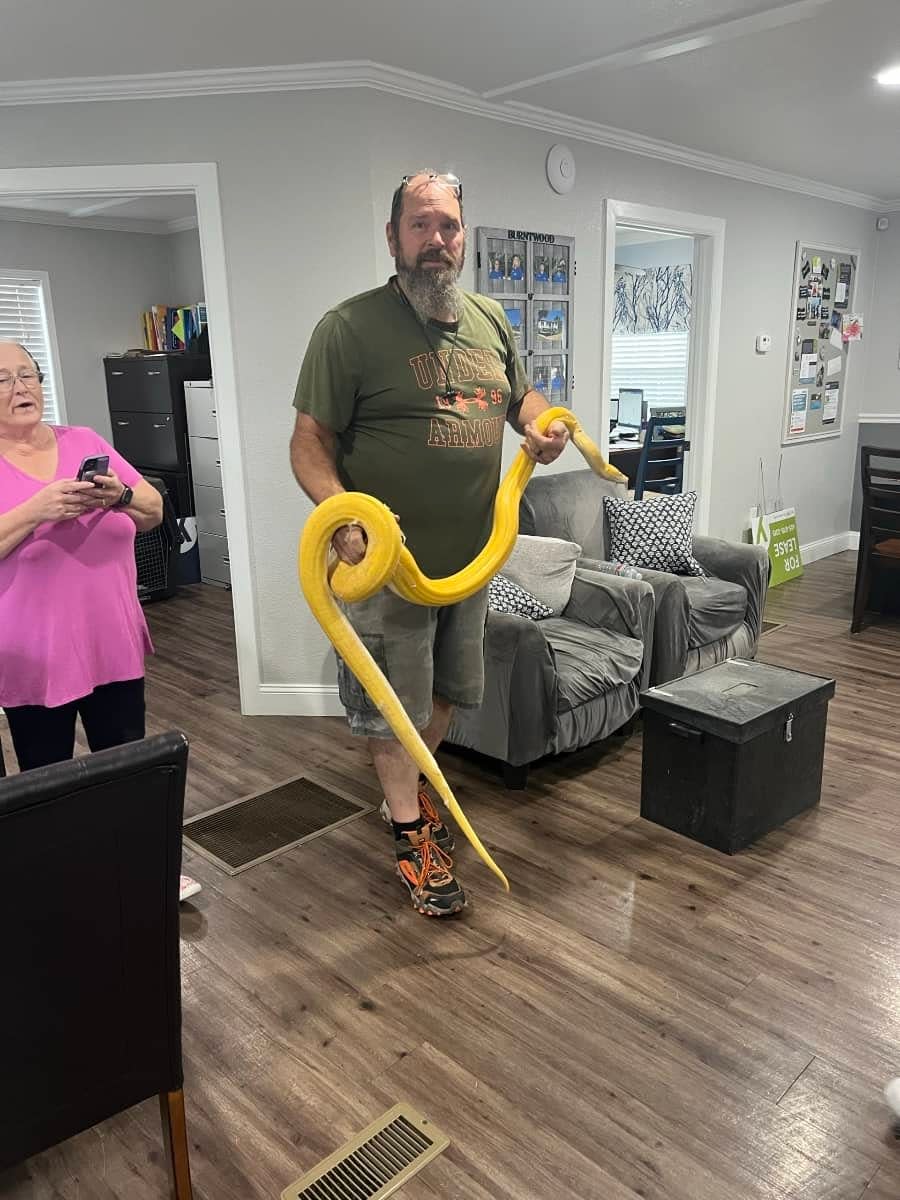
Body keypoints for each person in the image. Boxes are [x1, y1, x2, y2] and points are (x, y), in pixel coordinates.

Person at [290, 170, 569, 917]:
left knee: (449, 694)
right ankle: (412, 834)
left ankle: (405, 795)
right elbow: (308, 445)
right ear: (393, 238)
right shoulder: (347, 329)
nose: (436, 241)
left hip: (470, 564)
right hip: (388, 569)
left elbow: (521, 397)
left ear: (462, 237)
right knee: (395, 708)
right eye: (420, 226)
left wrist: (541, 426)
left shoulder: (489, 320)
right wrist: (340, 515)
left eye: (447, 226)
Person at [0, 341, 163, 772]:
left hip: (113, 643)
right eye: (3, 379)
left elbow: (153, 512)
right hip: (37, 659)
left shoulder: (84, 441)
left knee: (127, 776)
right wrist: (38, 510)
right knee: (49, 782)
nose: (20, 387)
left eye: (28, 374)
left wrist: (120, 495)